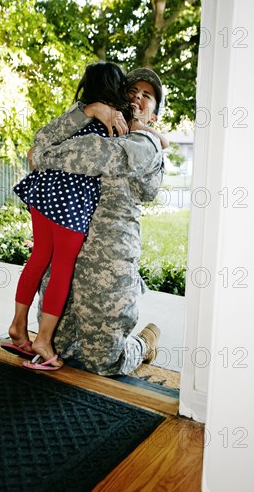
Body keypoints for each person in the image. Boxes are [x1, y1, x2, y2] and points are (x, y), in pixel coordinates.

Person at [27, 68, 168, 376]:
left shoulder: (147, 145)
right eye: (133, 90)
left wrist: (44, 157)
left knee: (104, 361)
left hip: (108, 263)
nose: (138, 96)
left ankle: (145, 342)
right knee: (55, 347)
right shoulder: (93, 122)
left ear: (153, 117)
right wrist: (89, 109)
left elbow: (95, 155)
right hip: (67, 254)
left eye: (148, 96)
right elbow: (40, 139)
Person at [1, 62, 135, 370]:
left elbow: (42, 140)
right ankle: (43, 341)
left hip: (44, 187)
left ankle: (18, 326)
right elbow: (96, 155)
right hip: (70, 196)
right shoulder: (116, 118)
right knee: (62, 265)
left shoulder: (78, 113)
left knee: (39, 256)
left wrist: (89, 111)